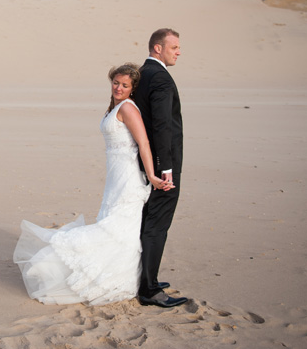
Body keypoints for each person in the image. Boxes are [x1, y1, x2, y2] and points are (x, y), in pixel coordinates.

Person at [13, 63, 173, 305]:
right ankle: (127, 275)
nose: (119, 88)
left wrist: (151, 176)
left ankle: (122, 277)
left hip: (129, 176)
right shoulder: (116, 106)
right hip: (116, 175)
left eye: (125, 85)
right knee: (113, 221)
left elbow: (144, 144)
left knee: (119, 226)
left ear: (133, 88)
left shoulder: (129, 108)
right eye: (116, 82)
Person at [131, 28, 188, 308]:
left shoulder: (142, 74)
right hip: (162, 165)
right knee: (157, 224)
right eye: (174, 47)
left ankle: (145, 277)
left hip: (144, 163)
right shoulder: (161, 78)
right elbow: (162, 126)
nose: (178, 52)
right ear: (157, 48)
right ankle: (150, 290)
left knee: (147, 221)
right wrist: (166, 168)